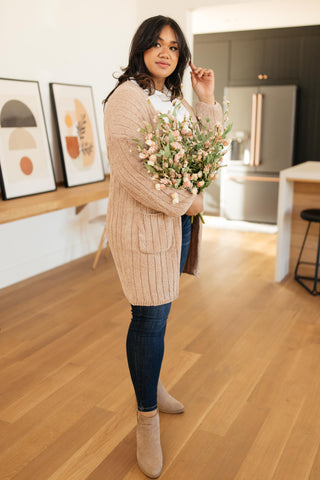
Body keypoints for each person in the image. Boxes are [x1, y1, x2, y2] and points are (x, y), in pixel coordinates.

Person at [103, 15, 222, 478]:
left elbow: (206, 156)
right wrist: (190, 202)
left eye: (174, 46)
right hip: (145, 228)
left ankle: (152, 383)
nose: (165, 52)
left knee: (162, 311)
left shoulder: (172, 99)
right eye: (156, 44)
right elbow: (134, 175)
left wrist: (206, 101)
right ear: (141, 48)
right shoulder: (127, 100)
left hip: (176, 227)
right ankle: (146, 418)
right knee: (149, 317)